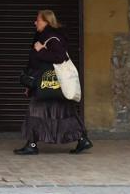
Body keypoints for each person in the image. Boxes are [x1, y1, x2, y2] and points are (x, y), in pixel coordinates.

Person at [14, 9, 93, 156]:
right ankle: (82, 139)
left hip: (48, 83)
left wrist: (40, 51)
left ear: (46, 21)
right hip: (49, 84)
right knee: (64, 111)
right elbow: (35, 64)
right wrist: (29, 85)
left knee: (36, 111)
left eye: (38, 19)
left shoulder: (51, 37)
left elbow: (60, 57)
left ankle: (32, 145)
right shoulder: (44, 36)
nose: (35, 22)